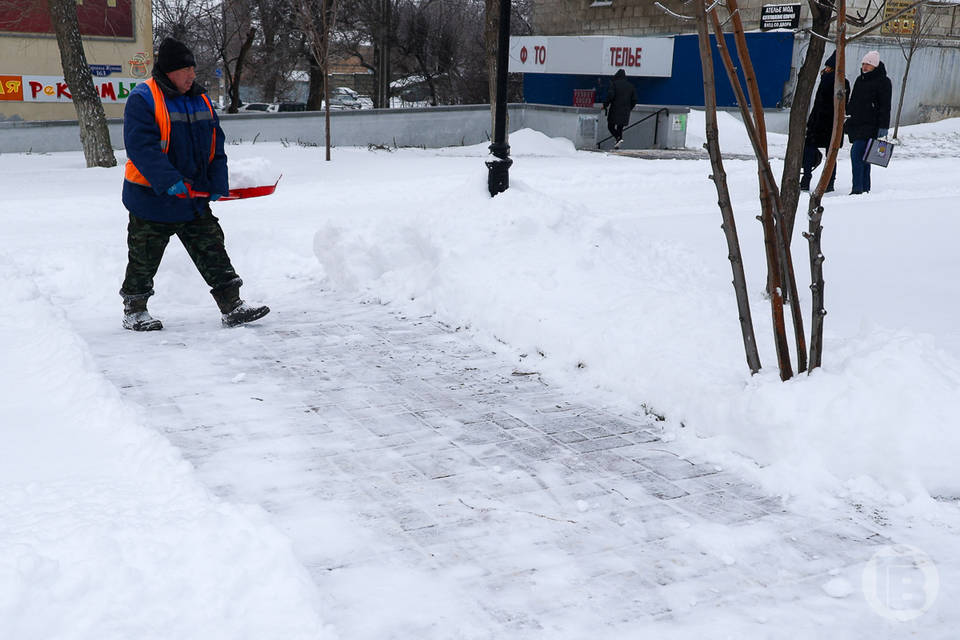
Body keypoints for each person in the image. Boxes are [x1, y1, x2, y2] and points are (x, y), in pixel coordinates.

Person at [120, 38, 269, 331]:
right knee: (144, 256)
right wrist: (169, 180)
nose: (191, 75)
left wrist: (217, 182)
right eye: (185, 70)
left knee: (212, 246)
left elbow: (216, 143)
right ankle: (134, 310)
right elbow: (141, 147)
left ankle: (232, 305)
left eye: (193, 69)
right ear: (169, 71)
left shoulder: (200, 99)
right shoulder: (144, 97)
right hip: (153, 197)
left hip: (193, 198)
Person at [800, 51, 849, 193]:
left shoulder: (827, 79)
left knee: (810, 151)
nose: (826, 68)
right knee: (831, 155)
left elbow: (819, 104)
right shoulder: (843, 82)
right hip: (833, 124)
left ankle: (806, 180)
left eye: (828, 66)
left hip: (819, 123)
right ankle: (829, 182)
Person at [844, 50, 892, 195]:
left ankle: (857, 188)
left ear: (875, 66)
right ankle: (865, 187)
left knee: (856, 153)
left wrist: (883, 126)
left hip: (871, 125)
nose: (865, 67)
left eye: (868, 64)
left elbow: (885, 106)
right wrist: (848, 116)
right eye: (864, 63)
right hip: (857, 123)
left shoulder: (883, 81)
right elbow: (853, 101)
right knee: (865, 157)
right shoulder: (860, 80)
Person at [603, 69, 637, 150]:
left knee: (610, 126)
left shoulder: (614, 84)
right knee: (620, 127)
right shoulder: (630, 86)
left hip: (615, 108)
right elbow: (635, 100)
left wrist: (606, 104)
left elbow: (611, 95)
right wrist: (629, 108)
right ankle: (618, 143)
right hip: (625, 110)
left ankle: (618, 138)